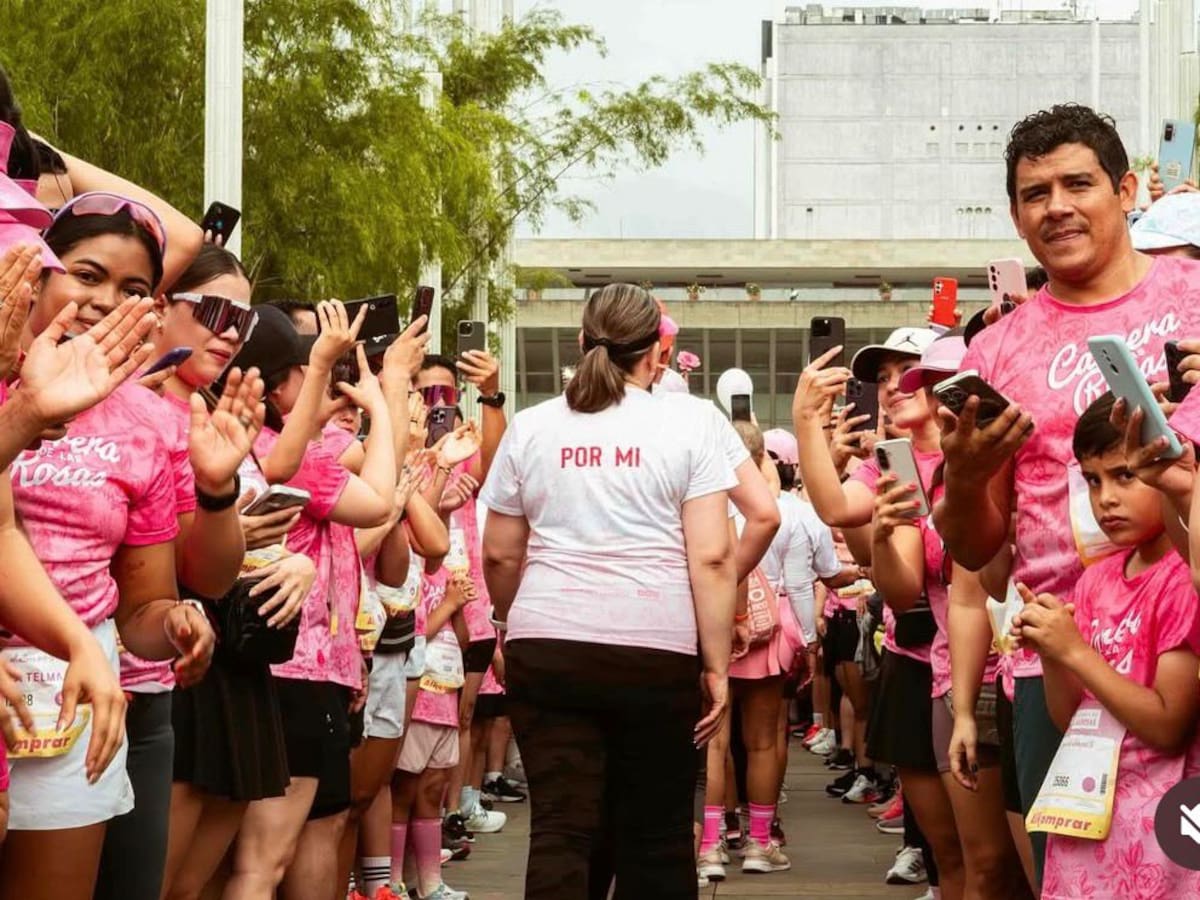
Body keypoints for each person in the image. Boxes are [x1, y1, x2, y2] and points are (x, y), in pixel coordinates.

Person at [934, 103, 1200, 888]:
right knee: (1079, 879)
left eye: (1077, 183)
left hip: (1189, 638)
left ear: (1125, 191)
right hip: (1063, 669)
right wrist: (972, 476)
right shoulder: (995, 350)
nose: (1057, 206)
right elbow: (978, 550)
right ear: (1016, 218)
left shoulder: (1196, 299)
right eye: (1034, 193)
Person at [481, 283, 737, 899]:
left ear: (580, 343)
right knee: (656, 837)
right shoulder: (691, 423)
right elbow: (712, 555)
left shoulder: (531, 426)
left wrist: (506, 623)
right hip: (655, 648)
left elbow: (499, 552)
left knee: (561, 832)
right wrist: (717, 665)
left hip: (548, 644)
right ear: (655, 354)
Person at [0, 193, 217, 900]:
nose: (102, 300)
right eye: (85, 274)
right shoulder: (8, 380)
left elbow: (142, 604)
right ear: (37, 271)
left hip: (73, 698)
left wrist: (174, 624)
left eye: (132, 289)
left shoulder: (150, 423)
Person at [1012, 392, 1200, 899]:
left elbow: (1168, 725)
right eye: (1091, 481)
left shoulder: (1184, 578)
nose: (1105, 499)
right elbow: (1069, 716)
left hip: (1162, 827)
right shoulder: (1097, 581)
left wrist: (1075, 653)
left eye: (1125, 475)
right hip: (1090, 814)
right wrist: (1053, 651)